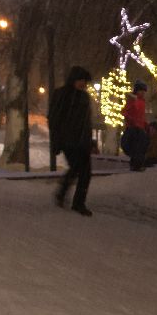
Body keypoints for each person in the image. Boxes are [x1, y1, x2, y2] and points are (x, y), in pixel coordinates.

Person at [49, 66, 94, 215]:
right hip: (68, 140)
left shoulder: (84, 97)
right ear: (74, 79)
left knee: (84, 172)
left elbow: (86, 121)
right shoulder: (62, 95)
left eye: (85, 81)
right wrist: (56, 141)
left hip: (82, 141)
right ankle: (71, 199)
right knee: (77, 168)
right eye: (81, 80)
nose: (83, 84)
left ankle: (74, 200)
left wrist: (90, 140)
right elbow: (54, 119)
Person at [121, 82, 149, 172]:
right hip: (134, 128)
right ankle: (136, 165)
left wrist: (144, 124)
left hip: (139, 127)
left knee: (139, 147)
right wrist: (131, 120)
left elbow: (141, 115)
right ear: (137, 91)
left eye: (144, 91)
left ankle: (137, 164)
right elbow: (125, 112)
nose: (143, 93)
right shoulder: (133, 100)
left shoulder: (141, 101)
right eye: (141, 91)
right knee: (137, 147)